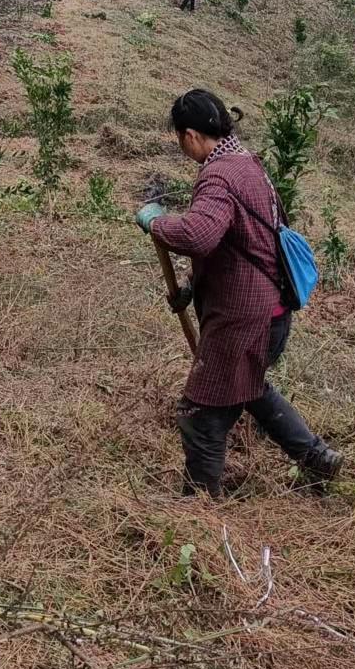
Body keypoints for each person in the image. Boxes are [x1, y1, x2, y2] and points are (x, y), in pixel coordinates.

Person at [136, 88, 342, 499]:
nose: (182, 146)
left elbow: (198, 234)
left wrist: (156, 223)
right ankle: (317, 457)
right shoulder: (247, 164)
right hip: (270, 312)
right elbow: (242, 246)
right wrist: (194, 288)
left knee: (202, 413)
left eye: (181, 139)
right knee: (249, 388)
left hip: (245, 320)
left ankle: (198, 507)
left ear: (191, 135)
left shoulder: (218, 175)